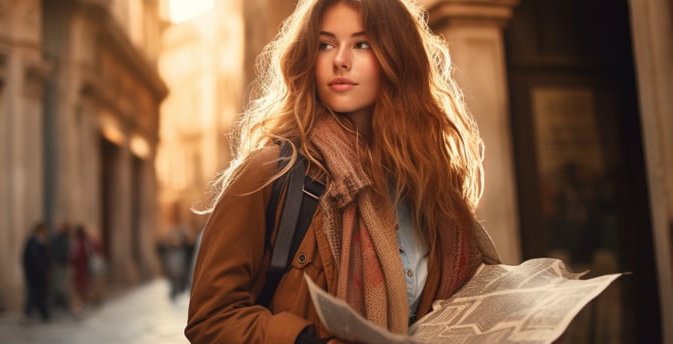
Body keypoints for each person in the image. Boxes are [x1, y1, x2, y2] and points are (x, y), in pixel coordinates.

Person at [185, 0, 501, 343]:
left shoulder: (431, 183)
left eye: (362, 44)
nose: (340, 59)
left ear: (397, 57)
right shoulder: (271, 173)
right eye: (326, 45)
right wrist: (307, 340)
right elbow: (211, 317)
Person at [22, 222, 51, 322]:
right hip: (35, 274)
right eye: (44, 230)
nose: (45, 232)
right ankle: (30, 313)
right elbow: (31, 259)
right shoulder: (33, 242)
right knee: (34, 293)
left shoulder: (41, 242)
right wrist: (40, 271)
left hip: (39, 273)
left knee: (40, 294)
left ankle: (44, 314)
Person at [48, 222, 72, 314]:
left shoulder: (64, 238)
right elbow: (54, 249)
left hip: (62, 264)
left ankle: (61, 303)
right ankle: (60, 303)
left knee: (61, 285)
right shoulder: (57, 238)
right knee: (59, 285)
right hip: (59, 263)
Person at [69, 225, 92, 315]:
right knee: (81, 288)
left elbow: (76, 256)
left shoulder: (79, 244)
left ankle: (77, 307)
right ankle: (79, 306)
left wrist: (71, 258)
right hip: (83, 269)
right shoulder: (85, 243)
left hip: (79, 269)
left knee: (78, 289)